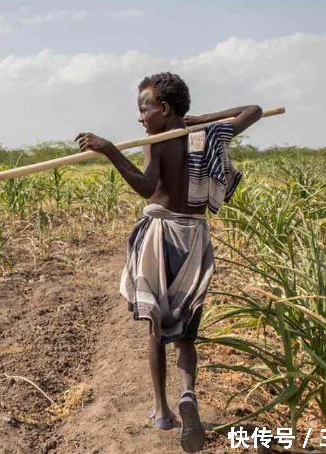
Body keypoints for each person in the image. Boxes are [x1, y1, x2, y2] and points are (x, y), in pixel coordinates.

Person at [75, 72, 262, 453]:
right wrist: (195, 120)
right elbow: (254, 110)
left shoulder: (156, 141)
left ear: (163, 108)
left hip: (161, 235)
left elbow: (146, 187)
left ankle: (162, 410)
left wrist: (110, 150)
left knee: (156, 326)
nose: (140, 118)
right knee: (187, 330)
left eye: (144, 108)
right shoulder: (205, 136)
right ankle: (188, 394)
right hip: (194, 236)